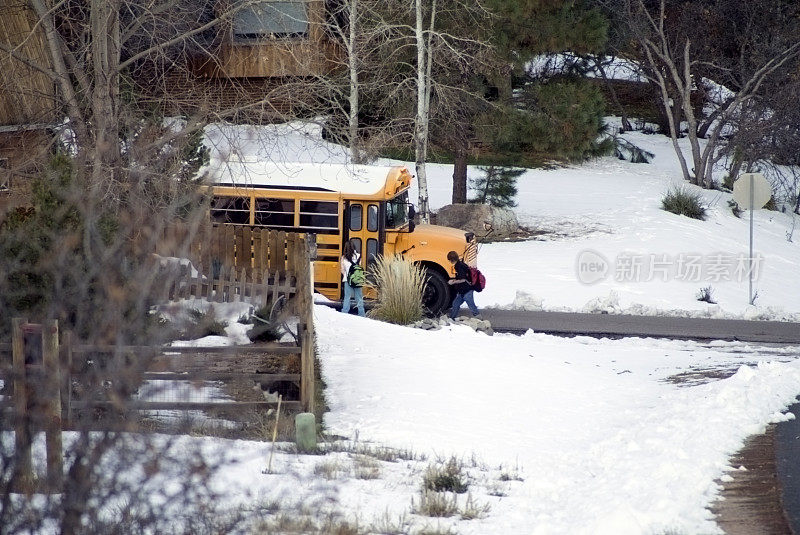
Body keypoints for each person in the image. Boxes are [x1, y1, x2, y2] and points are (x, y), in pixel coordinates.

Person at [447, 250, 479, 320]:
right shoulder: (461, 264)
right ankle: (452, 318)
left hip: (467, 290)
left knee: (471, 305)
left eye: (449, 260)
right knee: (455, 304)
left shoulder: (459, 266)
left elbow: (463, 279)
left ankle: (479, 319)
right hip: (463, 290)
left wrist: (453, 282)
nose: (449, 261)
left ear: (452, 260)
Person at [340, 239, 366, 317]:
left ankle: (345, 312)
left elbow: (342, 270)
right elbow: (360, 266)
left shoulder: (344, 258)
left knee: (347, 297)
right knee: (359, 297)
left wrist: (347, 275)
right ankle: (361, 313)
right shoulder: (358, 256)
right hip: (357, 279)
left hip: (347, 279)